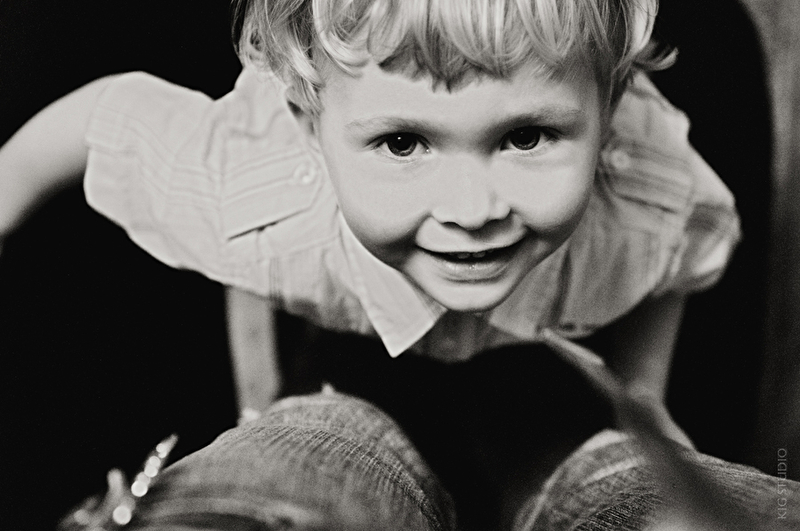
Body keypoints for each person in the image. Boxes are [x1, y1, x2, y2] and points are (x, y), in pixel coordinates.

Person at [0, 0, 743, 527]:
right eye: (403, 143)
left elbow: (684, 258)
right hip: (310, 265)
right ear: (309, 127)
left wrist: (643, 395)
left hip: (539, 361)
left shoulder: (644, 208)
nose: (472, 208)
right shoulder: (249, 199)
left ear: (610, 114)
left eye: (524, 137)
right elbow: (105, 120)